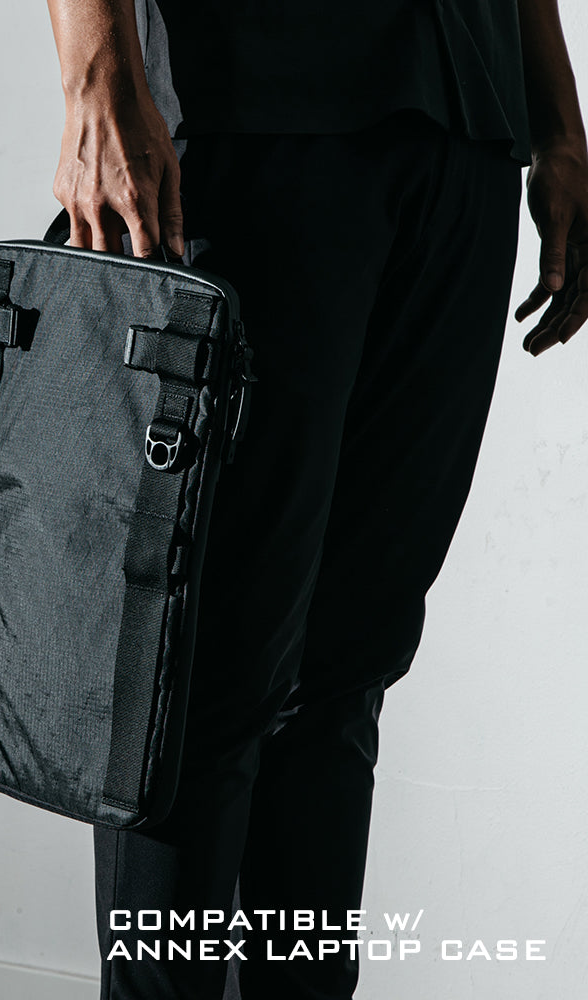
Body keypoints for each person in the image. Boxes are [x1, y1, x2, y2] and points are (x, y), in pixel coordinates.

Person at [44, 1, 588, 998]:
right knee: (199, 671)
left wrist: (559, 124)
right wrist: (96, 78)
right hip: (259, 107)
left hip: (464, 128)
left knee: (344, 671)